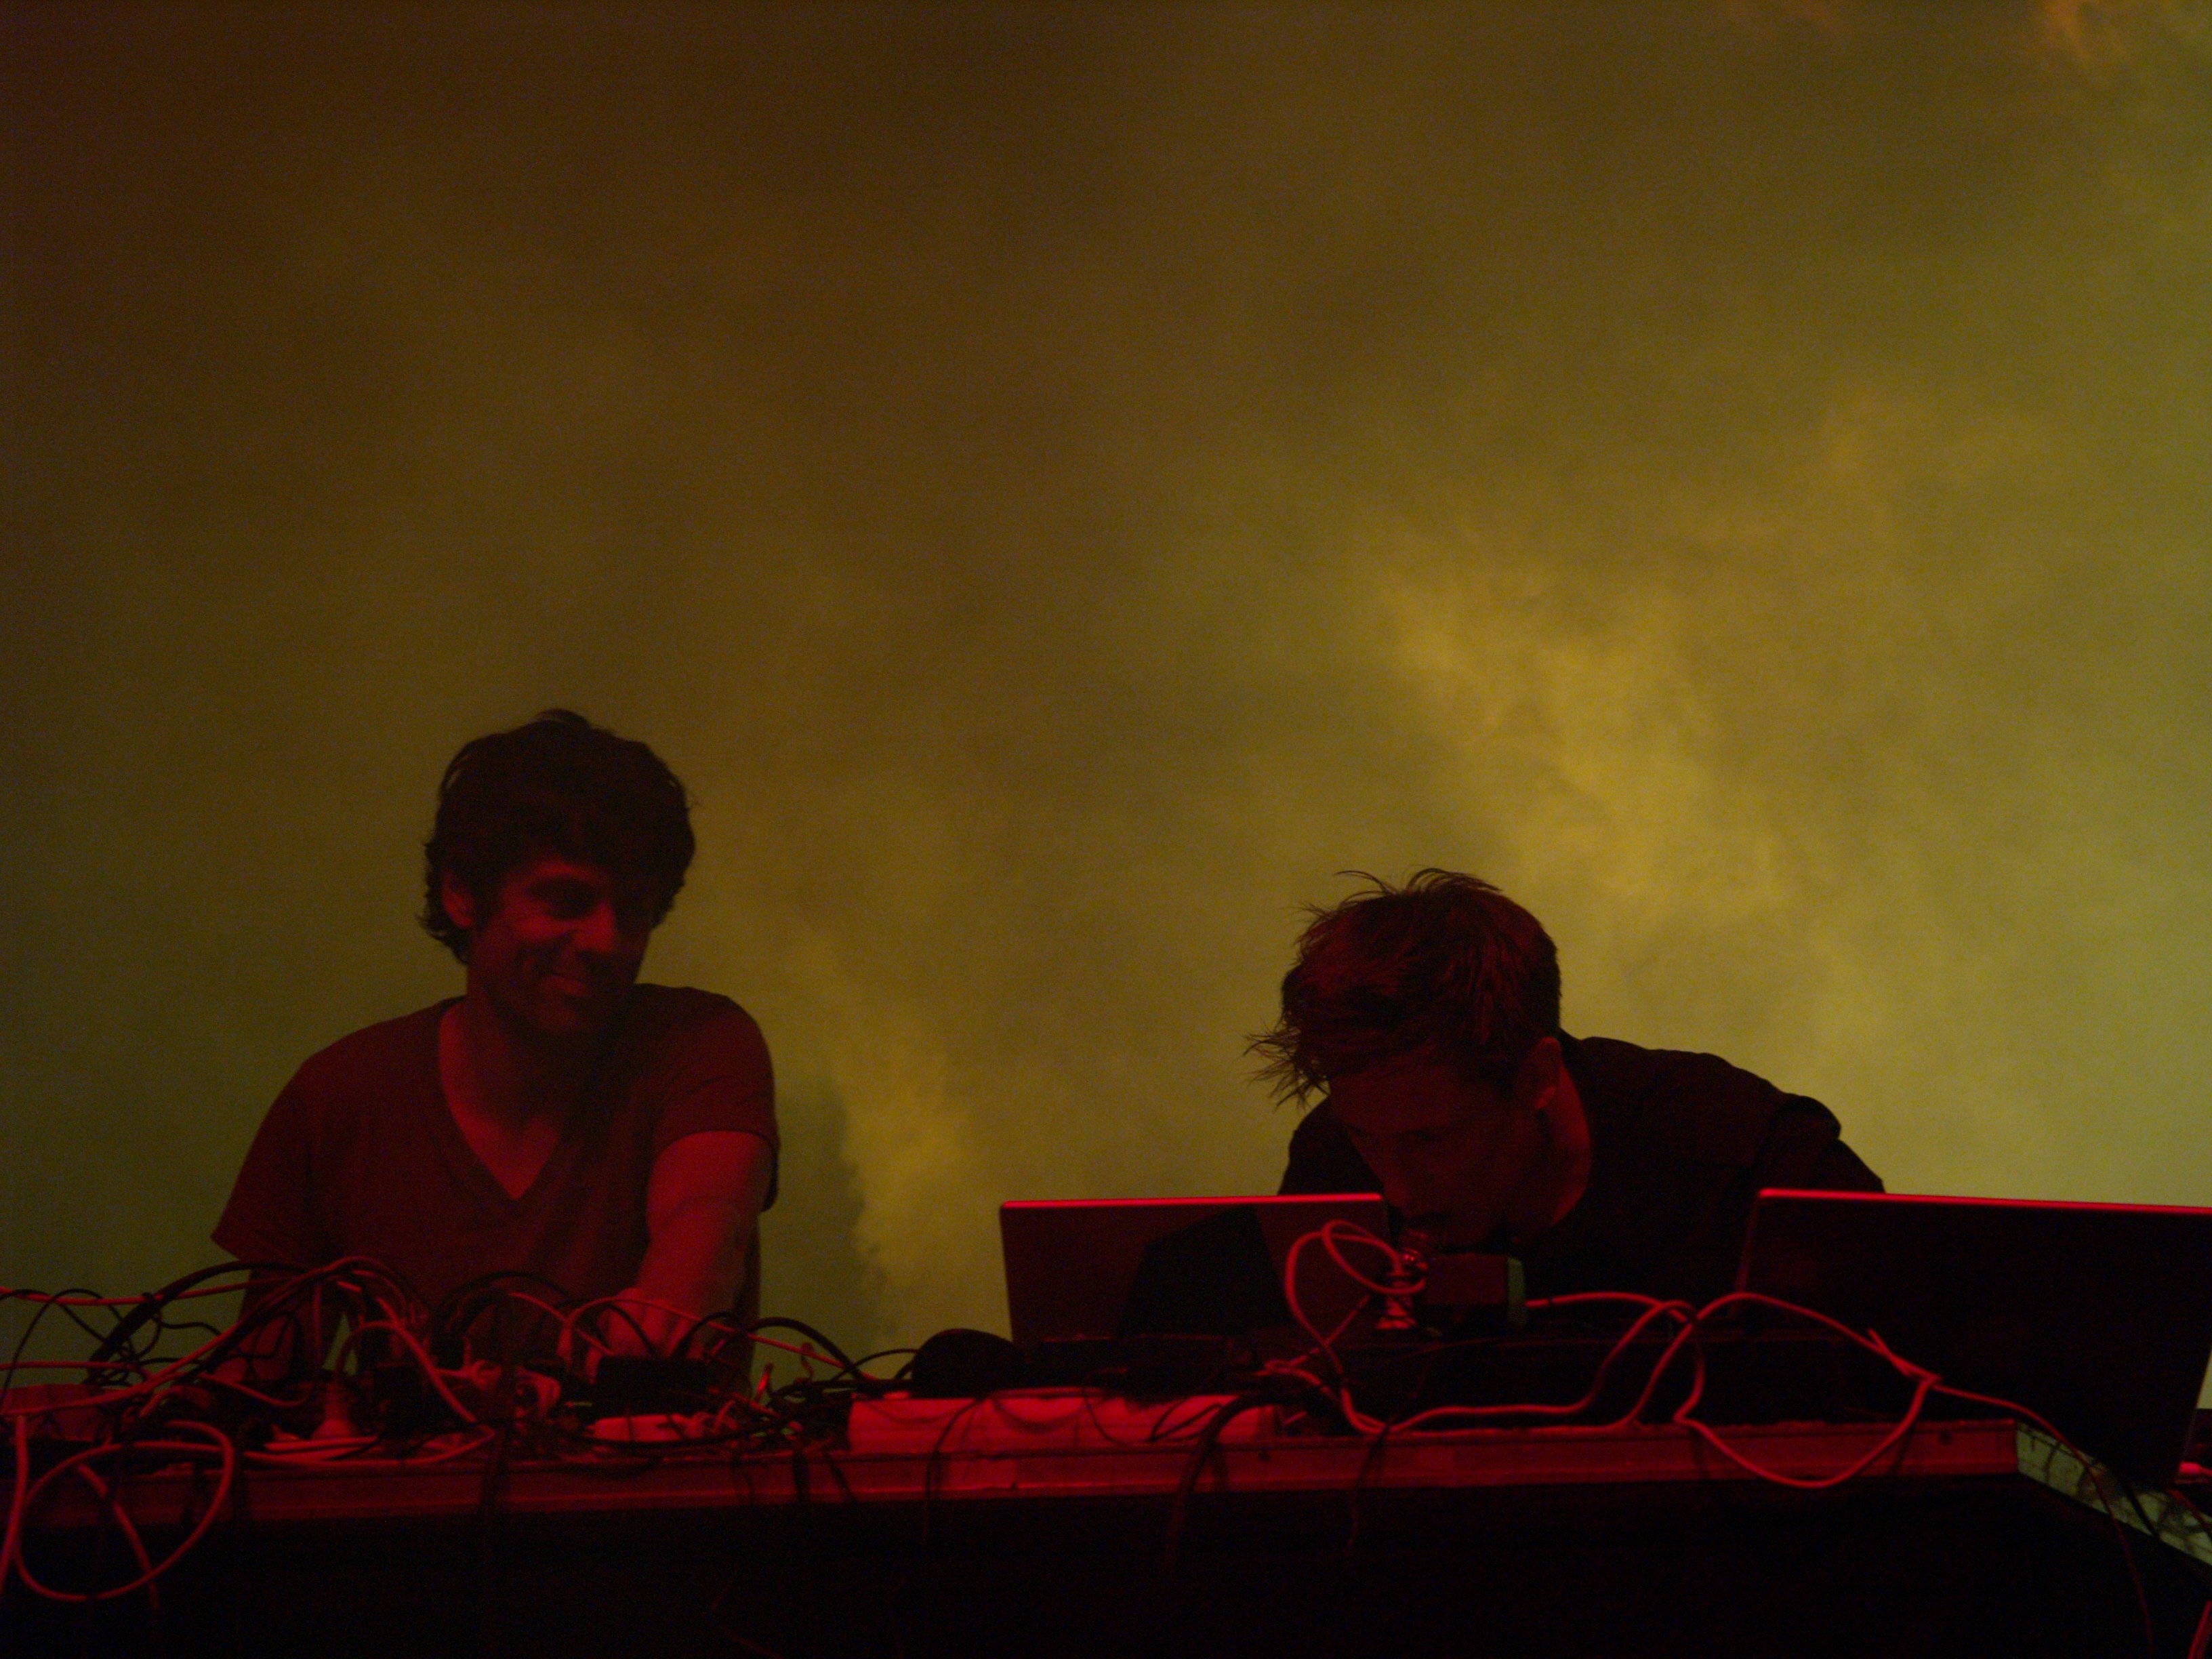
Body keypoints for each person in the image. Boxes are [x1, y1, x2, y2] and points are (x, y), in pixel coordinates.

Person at [214, 710, 777, 1359]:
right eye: (566, 902)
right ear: (461, 893)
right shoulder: (339, 1097)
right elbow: (260, 1382)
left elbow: (708, 1219)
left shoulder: (699, 1043)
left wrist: (669, 1311)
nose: (606, 940)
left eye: (634, 911)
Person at [1256, 870, 1879, 1305]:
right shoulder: (1330, 1162)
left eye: (1431, 1140)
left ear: (1537, 1078)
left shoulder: (1740, 1156)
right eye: (1367, 1139)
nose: (1396, 1188)